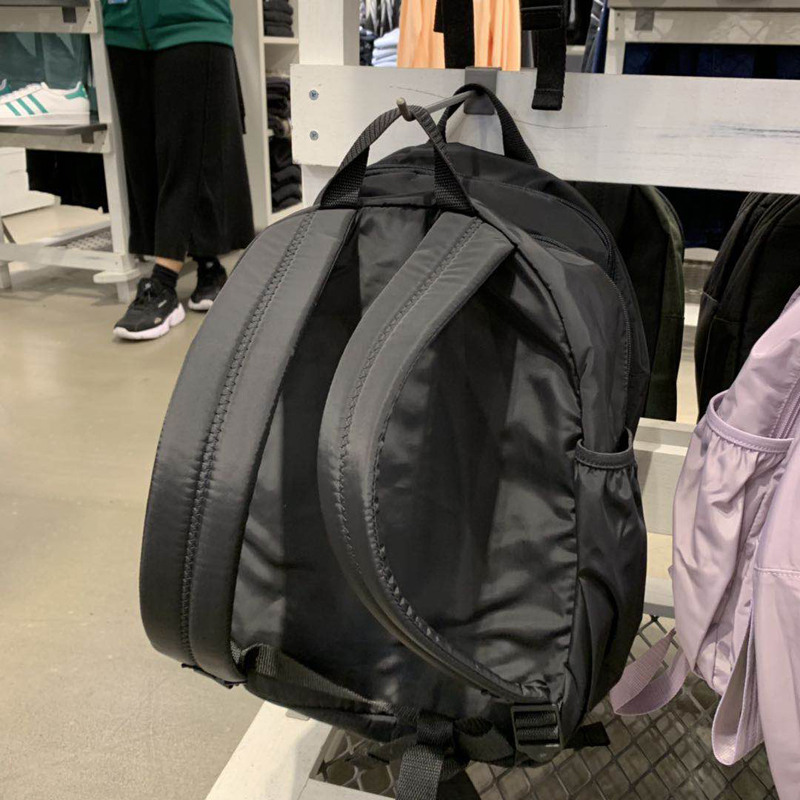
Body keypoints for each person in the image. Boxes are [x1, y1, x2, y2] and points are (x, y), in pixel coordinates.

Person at [101, 0, 254, 340]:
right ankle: (208, 265)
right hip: (122, 23)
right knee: (143, 161)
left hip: (191, 17)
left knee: (187, 152)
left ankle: (164, 283)